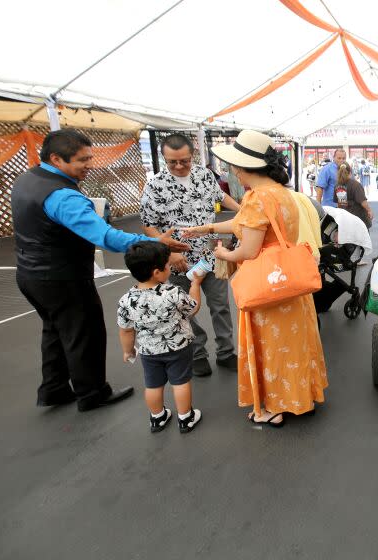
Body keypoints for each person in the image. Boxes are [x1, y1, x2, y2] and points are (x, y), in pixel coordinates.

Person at [11, 129, 189, 412]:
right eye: (82, 160)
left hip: (30, 274)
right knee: (84, 333)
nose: (89, 165)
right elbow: (105, 237)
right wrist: (156, 241)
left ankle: (53, 388)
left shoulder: (27, 179)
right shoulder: (63, 196)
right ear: (57, 159)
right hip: (63, 278)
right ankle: (92, 393)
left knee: (55, 331)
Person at [182, 129, 328, 427]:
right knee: (295, 343)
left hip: (268, 285)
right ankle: (302, 398)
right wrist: (208, 228)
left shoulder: (255, 198)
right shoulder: (282, 192)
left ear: (242, 168)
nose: (232, 172)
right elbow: (246, 224)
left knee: (273, 347)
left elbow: (248, 250)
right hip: (289, 281)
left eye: (234, 167)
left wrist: (223, 255)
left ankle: (275, 406)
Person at [141, 134, 242, 377]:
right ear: (164, 158)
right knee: (185, 310)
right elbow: (148, 225)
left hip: (212, 253)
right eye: (171, 162)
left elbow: (221, 197)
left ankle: (226, 352)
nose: (178, 166)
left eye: (183, 161)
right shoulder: (154, 185)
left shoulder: (205, 175)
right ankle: (197, 353)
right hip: (178, 260)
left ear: (192, 155)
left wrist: (244, 211)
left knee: (221, 305)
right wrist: (168, 253)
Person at [118, 242, 204, 434]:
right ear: (157, 272)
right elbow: (193, 307)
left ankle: (157, 417)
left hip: (149, 351)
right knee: (180, 382)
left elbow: (126, 330)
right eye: (167, 265)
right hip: (178, 347)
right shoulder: (172, 293)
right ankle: (185, 417)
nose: (169, 267)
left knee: (153, 385)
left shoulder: (126, 300)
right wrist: (195, 284)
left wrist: (128, 350)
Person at [335, 161, 374, 228]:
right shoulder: (355, 185)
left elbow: (340, 204)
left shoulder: (338, 186)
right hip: (358, 219)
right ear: (350, 172)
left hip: (345, 219)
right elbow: (363, 202)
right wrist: (369, 210)